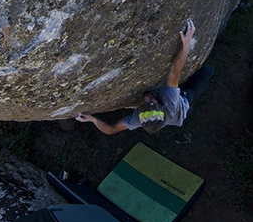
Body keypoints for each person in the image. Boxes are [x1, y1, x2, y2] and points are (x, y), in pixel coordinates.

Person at [76, 19, 214, 135]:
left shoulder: (140, 117)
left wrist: (92, 119)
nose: (145, 98)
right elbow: (174, 73)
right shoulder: (171, 104)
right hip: (185, 104)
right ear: (161, 105)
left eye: (144, 103)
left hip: (173, 107)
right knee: (208, 70)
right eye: (150, 101)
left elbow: (111, 130)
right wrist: (185, 47)